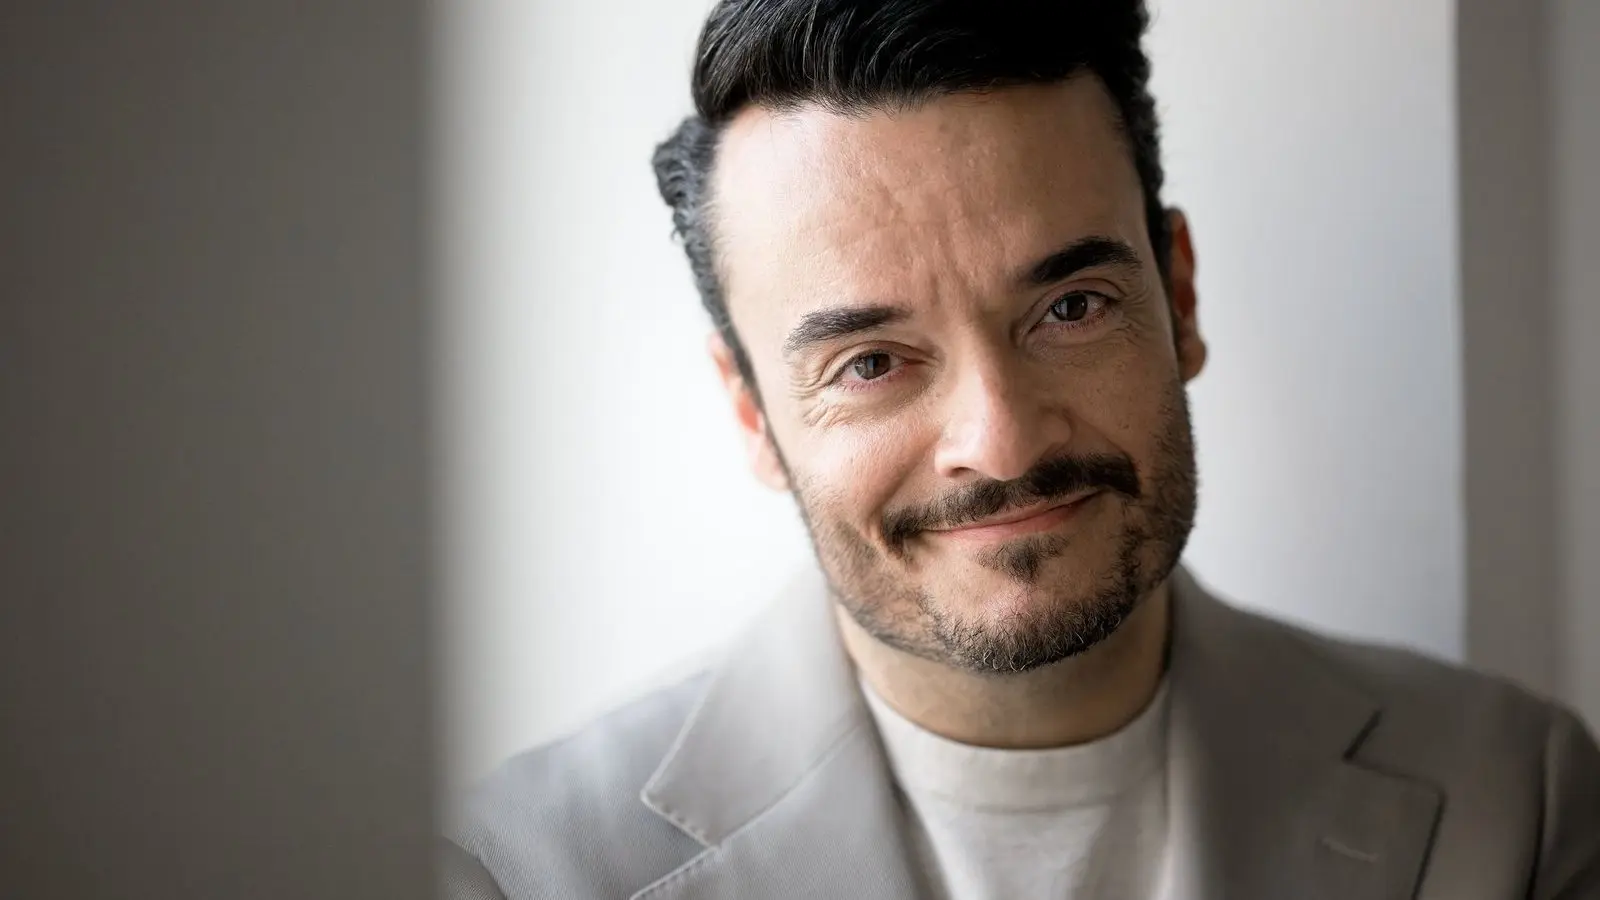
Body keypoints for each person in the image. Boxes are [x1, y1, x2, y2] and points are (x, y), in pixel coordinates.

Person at [441, 2, 1600, 898]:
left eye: (1070, 309)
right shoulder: (514, 871)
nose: (998, 442)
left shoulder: (1513, 797)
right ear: (753, 415)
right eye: (871, 362)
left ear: (1177, 297)